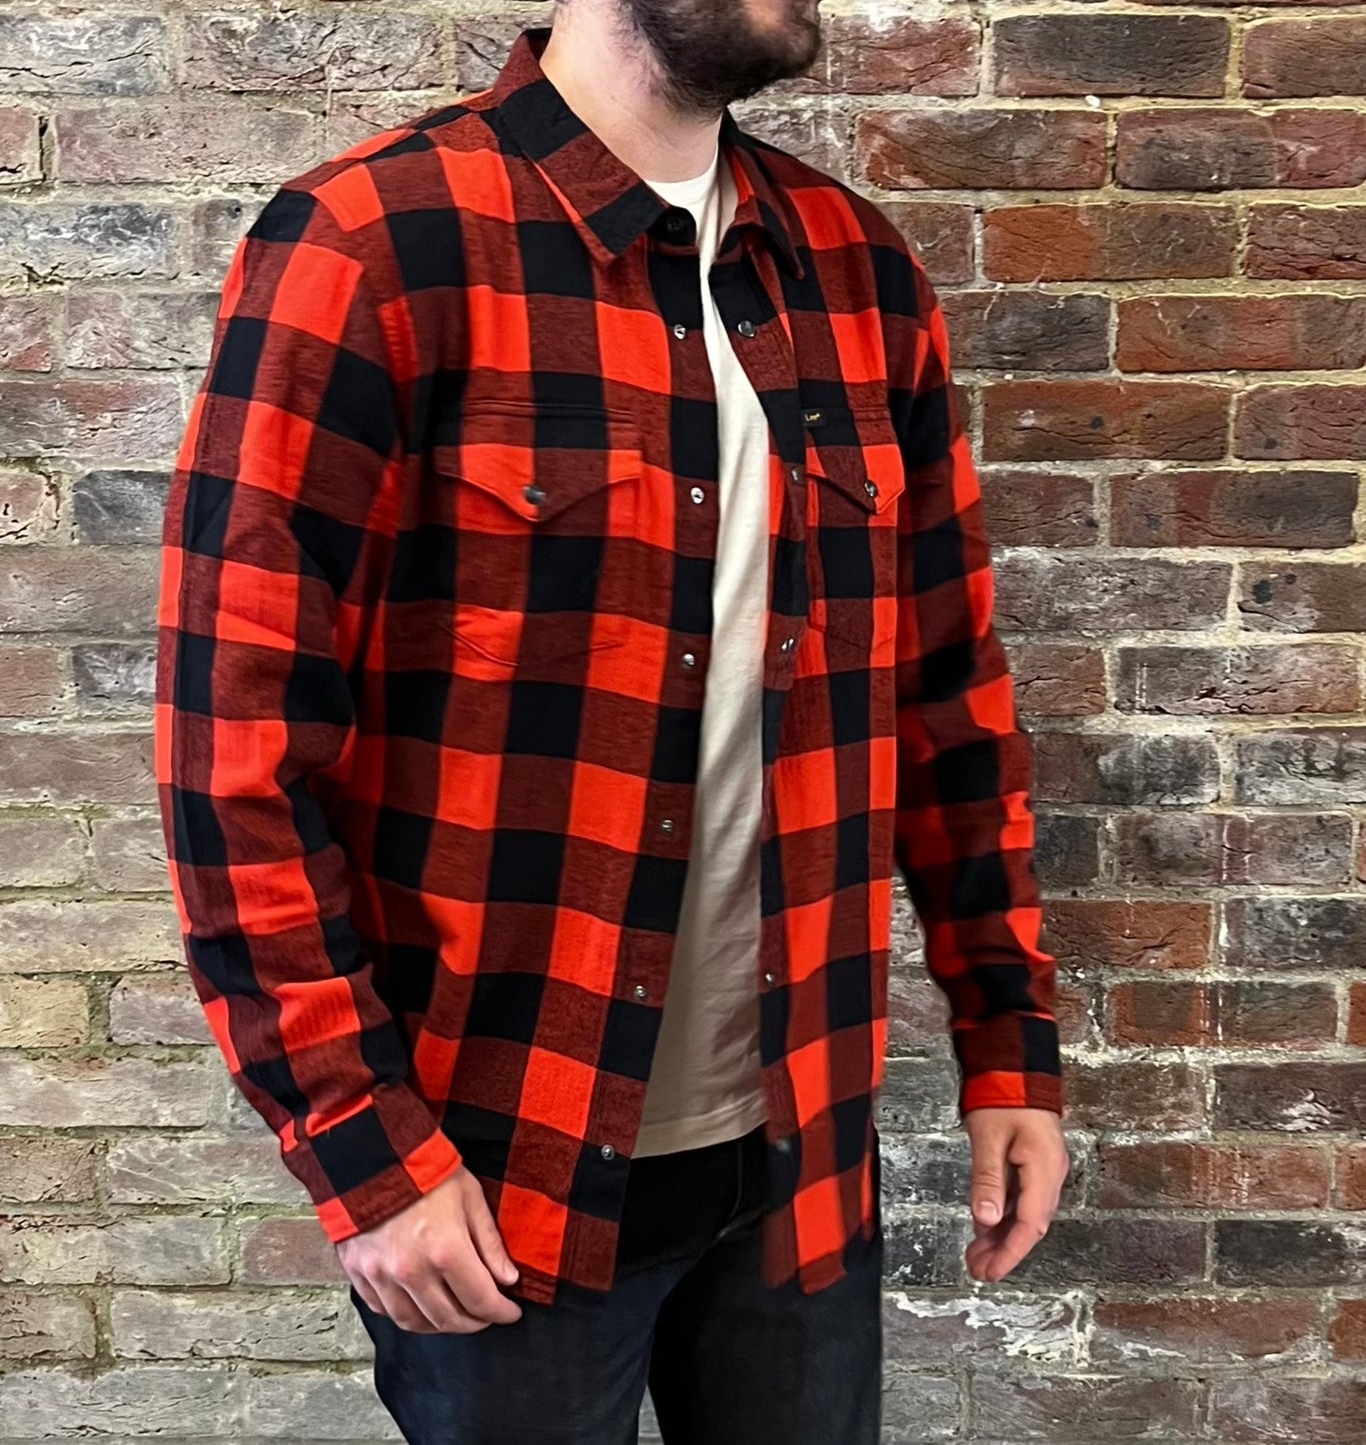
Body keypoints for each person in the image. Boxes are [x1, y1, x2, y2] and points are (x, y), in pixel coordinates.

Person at [153, 0, 1070, 1438]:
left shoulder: (854, 268)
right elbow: (235, 757)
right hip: (498, 1176)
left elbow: (945, 694)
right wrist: (362, 1150)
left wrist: (1005, 1037)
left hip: (800, 1156)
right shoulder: (371, 242)